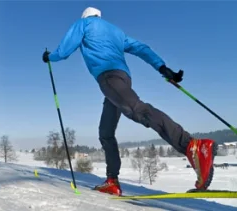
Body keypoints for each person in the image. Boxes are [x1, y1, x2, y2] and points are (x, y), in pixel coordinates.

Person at [42, 7, 217, 196]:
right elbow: (141, 48)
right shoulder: (116, 31)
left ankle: (192, 145)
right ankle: (112, 181)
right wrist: (162, 67)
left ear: (85, 16)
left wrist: (49, 57)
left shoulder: (83, 24)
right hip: (122, 78)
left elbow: (65, 50)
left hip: (108, 78)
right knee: (106, 132)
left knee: (137, 110)